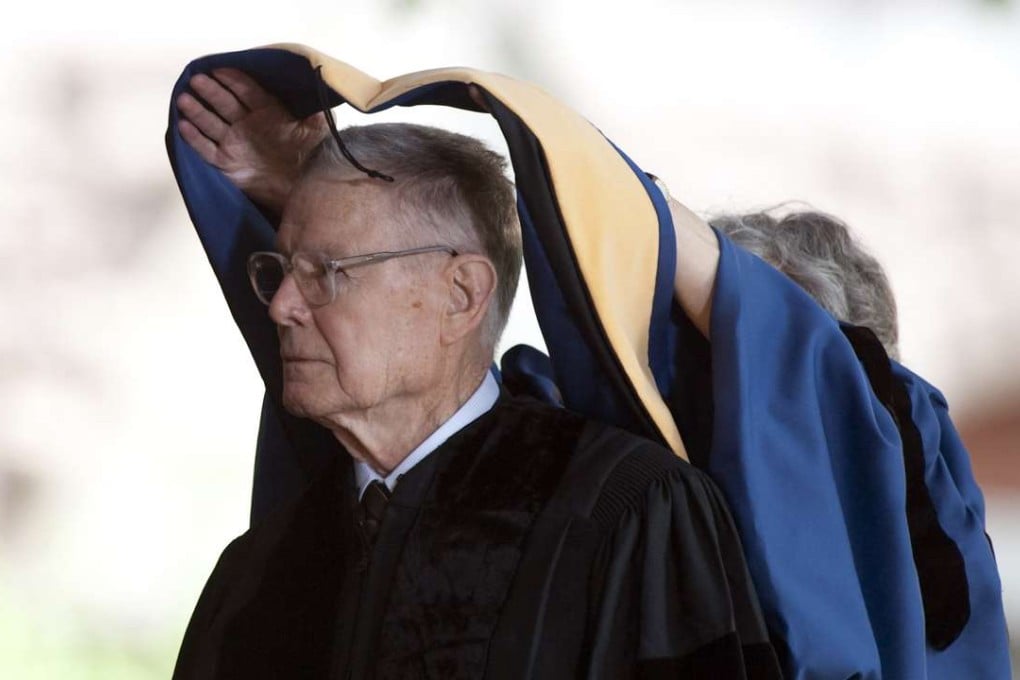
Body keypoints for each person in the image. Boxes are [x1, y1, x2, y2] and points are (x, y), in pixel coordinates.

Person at [171, 68, 781, 679]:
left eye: (326, 272)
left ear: (462, 295)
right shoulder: (258, 574)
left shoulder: (624, 513)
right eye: (283, 270)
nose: (281, 306)